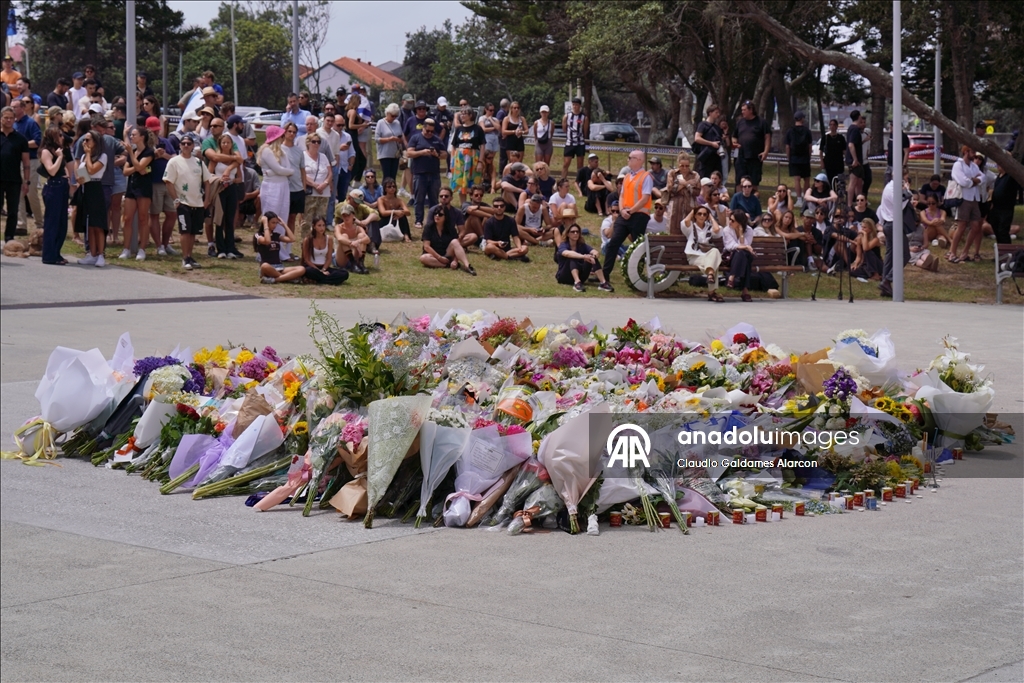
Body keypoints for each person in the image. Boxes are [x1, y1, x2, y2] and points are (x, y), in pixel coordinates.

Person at [601, 150, 652, 283]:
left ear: (639, 160)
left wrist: (631, 211)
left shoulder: (646, 176)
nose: (628, 160)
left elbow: (645, 198)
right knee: (613, 243)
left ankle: (639, 277)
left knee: (638, 247)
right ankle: (604, 275)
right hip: (625, 214)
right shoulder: (627, 177)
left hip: (639, 215)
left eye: (631, 158)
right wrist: (623, 209)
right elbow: (622, 195)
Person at [162, 133, 211, 270]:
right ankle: (185, 258)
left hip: (198, 202)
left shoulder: (198, 162)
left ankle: (190, 255)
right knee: (184, 230)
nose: (186, 146)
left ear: (192, 146)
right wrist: (176, 199)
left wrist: (206, 199)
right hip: (183, 202)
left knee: (193, 231)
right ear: (179, 145)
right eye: (183, 143)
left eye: (188, 144)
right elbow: (168, 182)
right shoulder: (174, 161)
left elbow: (207, 181)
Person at [38, 125, 74, 264]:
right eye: (59, 135)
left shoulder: (60, 149)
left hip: (62, 185)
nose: (62, 137)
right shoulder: (46, 151)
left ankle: (56, 252)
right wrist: (59, 158)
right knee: (52, 222)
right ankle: (49, 255)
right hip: (54, 186)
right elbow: (52, 171)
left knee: (61, 223)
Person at [119, 125, 155, 260]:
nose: (132, 137)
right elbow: (126, 171)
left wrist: (137, 164)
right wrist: (138, 167)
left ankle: (142, 249)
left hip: (144, 188)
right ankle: (126, 248)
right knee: (127, 218)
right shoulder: (132, 152)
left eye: (134, 135)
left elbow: (140, 166)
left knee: (143, 218)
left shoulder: (149, 152)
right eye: (131, 135)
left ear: (142, 137)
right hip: (132, 187)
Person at [75, 130, 109, 266]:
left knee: (98, 224)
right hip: (86, 188)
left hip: (96, 188)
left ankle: (101, 254)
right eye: (84, 140)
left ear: (95, 142)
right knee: (89, 224)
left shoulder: (103, 156)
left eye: (88, 140)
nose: (85, 142)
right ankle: (92, 253)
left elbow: (92, 170)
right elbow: (83, 174)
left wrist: (88, 154)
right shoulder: (83, 156)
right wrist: (79, 178)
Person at [877, 170, 913, 297]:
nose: (907, 182)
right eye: (906, 179)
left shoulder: (892, 187)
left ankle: (884, 285)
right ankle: (887, 280)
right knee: (904, 254)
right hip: (892, 224)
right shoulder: (892, 188)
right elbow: (899, 203)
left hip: (890, 223)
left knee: (890, 255)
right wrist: (907, 191)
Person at [407, 118, 447, 229]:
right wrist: (422, 152)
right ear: (423, 128)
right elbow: (409, 153)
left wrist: (436, 154)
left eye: (432, 131)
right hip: (420, 173)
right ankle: (418, 220)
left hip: (434, 173)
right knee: (419, 198)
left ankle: (433, 220)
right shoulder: (415, 138)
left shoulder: (437, 140)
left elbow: (445, 154)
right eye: (427, 131)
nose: (429, 133)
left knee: (434, 198)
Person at [147, 117, 178, 257]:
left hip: (169, 182)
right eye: (152, 130)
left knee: (172, 214)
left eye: (157, 130)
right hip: (154, 182)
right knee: (154, 214)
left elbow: (174, 157)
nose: (155, 133)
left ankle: (166, 244)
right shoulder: (145, 144)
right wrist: (154, 155)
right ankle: (159, 245)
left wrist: (163, 155)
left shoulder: (165, 142)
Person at [947, 145, 984, 263]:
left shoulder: (974, 166)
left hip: (974, 198)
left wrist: (973, 180)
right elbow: (963, 181)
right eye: (972, 151)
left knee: (976, 226)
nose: (974, 154)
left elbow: (982, 177)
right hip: (963, 198)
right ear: (966, 152)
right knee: (962, 226)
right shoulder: (958, 165)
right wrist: (974, 181)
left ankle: (965, 252)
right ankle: (952, 252)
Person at [680, 206, 724, 301]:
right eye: (699, 214)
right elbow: (686, 221)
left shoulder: (709, 227)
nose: (702, 216)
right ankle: (712, 293)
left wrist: (711, 217)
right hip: (694, 255)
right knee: (713, 264)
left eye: (704, 214)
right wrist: (693, 211)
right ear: (695, 215)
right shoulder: (691, 227)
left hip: (707, 255)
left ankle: (710, 275)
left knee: (715, 251)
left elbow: (717, 230)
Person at [12, 98, 42, 233]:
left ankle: (40, 223)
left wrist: (21, 144)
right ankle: (21, 225)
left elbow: (37, 141)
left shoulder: (31, 123)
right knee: (18, 193)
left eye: (15, 107)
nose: (12, 110)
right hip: (16, 161)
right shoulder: (12, 124)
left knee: (31, 193)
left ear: (23, 108)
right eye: (11, 107)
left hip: (31, 161)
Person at [1, 106, 30, 245]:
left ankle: (9, 238)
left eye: (11, 118)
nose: (8, 120)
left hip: (14, 180)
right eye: (6, 117)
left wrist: (27, 181)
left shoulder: (20, 139)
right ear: (1, 118)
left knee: (13, 211)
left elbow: (26, 162)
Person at [420, 203, 477, 274]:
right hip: (433, 255)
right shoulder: (429, 227)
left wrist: (455, 260)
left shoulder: (450, 228)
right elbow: (426, 247)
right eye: (435, 214)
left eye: (440, 214)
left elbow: (457, 246)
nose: (437, 216)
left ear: (445, 217)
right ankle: (446, 265)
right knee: (423, 258)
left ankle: (467, 265)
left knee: (455, 241)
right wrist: (440, 258)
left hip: (447, 253)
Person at [556, 223, 612, 292]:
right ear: (567, 234)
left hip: (581, 275)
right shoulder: (563, 245)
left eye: (577, 232)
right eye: (573, 232)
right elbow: (567, 253)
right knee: (573, 257)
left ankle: (603, 283)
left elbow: (596, 252)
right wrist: (583, 257)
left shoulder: (582, 245)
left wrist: (592, 256)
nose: (575, 233)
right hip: (564, 276)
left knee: (593, 258)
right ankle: (577, 283)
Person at [731, 101, 771, 191]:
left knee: (754, 181)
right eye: (742, 110)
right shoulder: (740, 122)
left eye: (744, 110)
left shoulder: (761, 122)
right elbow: (734, 136)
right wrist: (734, 142)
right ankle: (738, 200)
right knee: (739, 180)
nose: (742, 112)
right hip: (741, 156)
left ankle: (752, 200)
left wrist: (766, 151)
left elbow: (767, 137)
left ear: (751, 110)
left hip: (755, 157)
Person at [256, 212, 305, 284]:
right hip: (268, 267)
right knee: (264, 266)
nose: (275, 225)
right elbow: (267, 241)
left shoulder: (276, 235)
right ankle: (288, 278)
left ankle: (275, 279)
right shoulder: (258, 235)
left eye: (276, 223)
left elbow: (292, 239)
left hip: (279, 267)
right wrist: (265, 224)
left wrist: (284, 225)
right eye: (273, 222)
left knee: (302, 269)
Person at [449, 107, 485, 204]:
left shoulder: (478, 129)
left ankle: (473, 205)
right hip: (459, 159)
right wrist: (452, 161)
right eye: (461, 113)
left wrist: (480, 162)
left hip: (473, 158)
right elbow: (453, 145)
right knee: (461, 183)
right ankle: (463, 207)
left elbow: (482, 146)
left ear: (470, 115)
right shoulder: (458, 129)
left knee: (473, 183)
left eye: (465, 113)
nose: (462, 115)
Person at [301, 132, 331, 243]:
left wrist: (325, 183)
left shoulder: (323, 156)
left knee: (321, 220)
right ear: (308, 143)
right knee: (307, 220)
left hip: (324, 192)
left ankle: (319, 243)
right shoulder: (303, 156)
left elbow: (330, 172)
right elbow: (302, 173)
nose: (316, 144)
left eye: (318, 142)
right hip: (310, 192)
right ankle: (305, 244)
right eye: (314, 141)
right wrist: (314, 185)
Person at [301, 216, 348, 284]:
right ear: (314, 226)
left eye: (323, 225)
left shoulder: (329, 239)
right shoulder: (308, 240)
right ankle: (325, 279)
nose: (322, 228)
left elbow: (329, 258)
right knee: (308, 271)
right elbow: (307, 260)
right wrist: (319, 271)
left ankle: (319, 280)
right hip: (312, 267)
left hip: (324, 267)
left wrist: (323, 269)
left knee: (344, 273)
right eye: (319, 226)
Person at [723, 209, 755, 301]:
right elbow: (730, 246)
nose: (730, 222)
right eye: (730, 219)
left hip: (742, 257)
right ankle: (745, 291)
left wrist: (741, 233)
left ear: (740, 222)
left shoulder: (748, 230)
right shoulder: (727, 230)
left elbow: (745, 244)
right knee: (744, 255)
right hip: (730, 257)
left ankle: (731, 277)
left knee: (743, 254)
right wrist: (744, 247)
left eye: (733, 220)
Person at [988, 163, 1022, 245]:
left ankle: (1007, 251)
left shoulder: (1010, 176)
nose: (999, 165)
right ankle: (1000, 252)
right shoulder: (999, 177)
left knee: (1003, 230)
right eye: (998, 164)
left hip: (1006, 208)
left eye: (1000, 163)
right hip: (996, 207)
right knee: (996, 229)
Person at [665, 151, 699, 230]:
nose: (684, 168)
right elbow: (670, 189)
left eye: (687, 166)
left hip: (690, 205)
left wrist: (682, 184)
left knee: (689, 229)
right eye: (682, 166)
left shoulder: (695, 175)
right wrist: (687, 184)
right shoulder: (672, 173)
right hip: (675, 205)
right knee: (673, 228)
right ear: (678, 164)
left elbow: (697, 192)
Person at [333, 203, 371, 274]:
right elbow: (340, 238)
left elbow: (368, 239)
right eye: (344, 215)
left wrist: (358, 241)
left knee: (362, 236)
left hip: (354, 254)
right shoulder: (338, 227)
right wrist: (352, 243)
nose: (346, 217)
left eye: (348, 215)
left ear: (353, 215)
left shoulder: (358, 228)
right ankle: (353, 264)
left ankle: (360, 263)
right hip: (341, 258)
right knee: (344, 236)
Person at [785, 111, 813, 199]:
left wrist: (789, 157)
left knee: (797, 179)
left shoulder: (790, 131)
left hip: (794, 157)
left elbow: (787, 147)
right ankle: (806, 197)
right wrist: (809, 156)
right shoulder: (807, 131)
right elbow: (809, 146)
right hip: (805, 158)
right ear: (802, 119)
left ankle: (799, 198)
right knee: (807, 179)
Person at [375, 103, 405, 183]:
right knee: (387, 176)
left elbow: (401, 135)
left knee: (393, 176)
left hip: (395, 154)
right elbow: (377, 139)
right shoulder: (380, 123)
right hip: (384, 153)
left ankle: (392, 192)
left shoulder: (397, 123)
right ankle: (385, 193)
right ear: (387, 113)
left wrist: (400, 140)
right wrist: (389, 139)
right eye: (392, 116)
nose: (394, 118)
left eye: (396, 116)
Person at [849, 217, 885, 281]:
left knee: (867, 252)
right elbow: (859, 256)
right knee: (852, 271)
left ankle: (876, 274)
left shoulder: (875, 239)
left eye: (864, 227)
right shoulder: (859, 239)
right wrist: (856, 264)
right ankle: (871, 275)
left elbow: (866, 248)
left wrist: (865, 234)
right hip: (866, 264)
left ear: (870, 229)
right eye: (862, 227)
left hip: (877, 264)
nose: (862, 229)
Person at [845, 110, 870, 204]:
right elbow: (851, 145)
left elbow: (856, 144)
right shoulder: (854, 129)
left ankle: (859, 202)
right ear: (858, 117)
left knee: (859, 182)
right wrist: (855, 159)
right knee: (853, 182)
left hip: (858, 161)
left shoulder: (852, 129)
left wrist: (864, 140)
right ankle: (849, 204)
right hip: (854, 161)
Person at [693, 105, 723, 179]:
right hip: (706, 157)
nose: (718, 114)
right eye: (716, 112)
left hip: (716, 158)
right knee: (705, 179)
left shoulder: (717, 128)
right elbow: (697, 138)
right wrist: (711, 143)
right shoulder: (703, 125)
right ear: (710, 113)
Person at [378, 177, 412, 242]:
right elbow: (383, 212)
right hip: (384, 220)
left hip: (395, 220)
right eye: (389, 187)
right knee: (400, 212)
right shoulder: (381, 199)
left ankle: (406, 235)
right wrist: (395, 211)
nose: (392, 188)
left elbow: (408, 212)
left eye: (394, 186)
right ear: (385, 189)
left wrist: (401, 213)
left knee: (402, 215)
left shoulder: (398, 200)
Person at [561, 97, 588, 179]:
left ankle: (579, 181)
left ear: (580, 106)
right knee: (566, 163)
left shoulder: (584, 117)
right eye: (573, 105)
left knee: (580, 165)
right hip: (570, 143)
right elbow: (564, 128)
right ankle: (562, 179)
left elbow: (585, 130)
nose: (575, 106)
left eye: (576, 105)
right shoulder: (567, 116)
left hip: (580, 143)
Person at [479, 103, 501, 192]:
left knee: (490, 160)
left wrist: (491, 120)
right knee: (486, 157)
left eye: (493, 110)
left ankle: (491, 181)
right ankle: (483, 179)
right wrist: (493, 128)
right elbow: (483, 129)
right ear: (486, 110)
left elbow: (499, 128)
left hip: (495, 139)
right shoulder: (482, 118)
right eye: (490, 110)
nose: (492, 112)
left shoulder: (494, 119)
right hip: (486, 138)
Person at [820, 119, 846, 187]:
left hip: (839, 164)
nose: (832, 126)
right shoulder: (825, 138)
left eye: (834, 125)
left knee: (840, 182)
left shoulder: (841, 138)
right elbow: (821, 151)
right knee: (829, 182)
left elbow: (844, 150)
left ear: (837, 126)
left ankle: (839, 195)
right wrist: (822, 162)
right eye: (830, 125)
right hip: (828, 163)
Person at [501, 101, 527, 166]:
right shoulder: (507, 119)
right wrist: (514, 131)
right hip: (510, 142)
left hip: (519, 141)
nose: (516, 109)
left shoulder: (522, 119)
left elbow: (527, 130)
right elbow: (503, 131)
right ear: (511, 109)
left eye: (518, 108)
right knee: (512, 161)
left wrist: (522, 132)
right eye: (514, 108)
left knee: (519, 162)